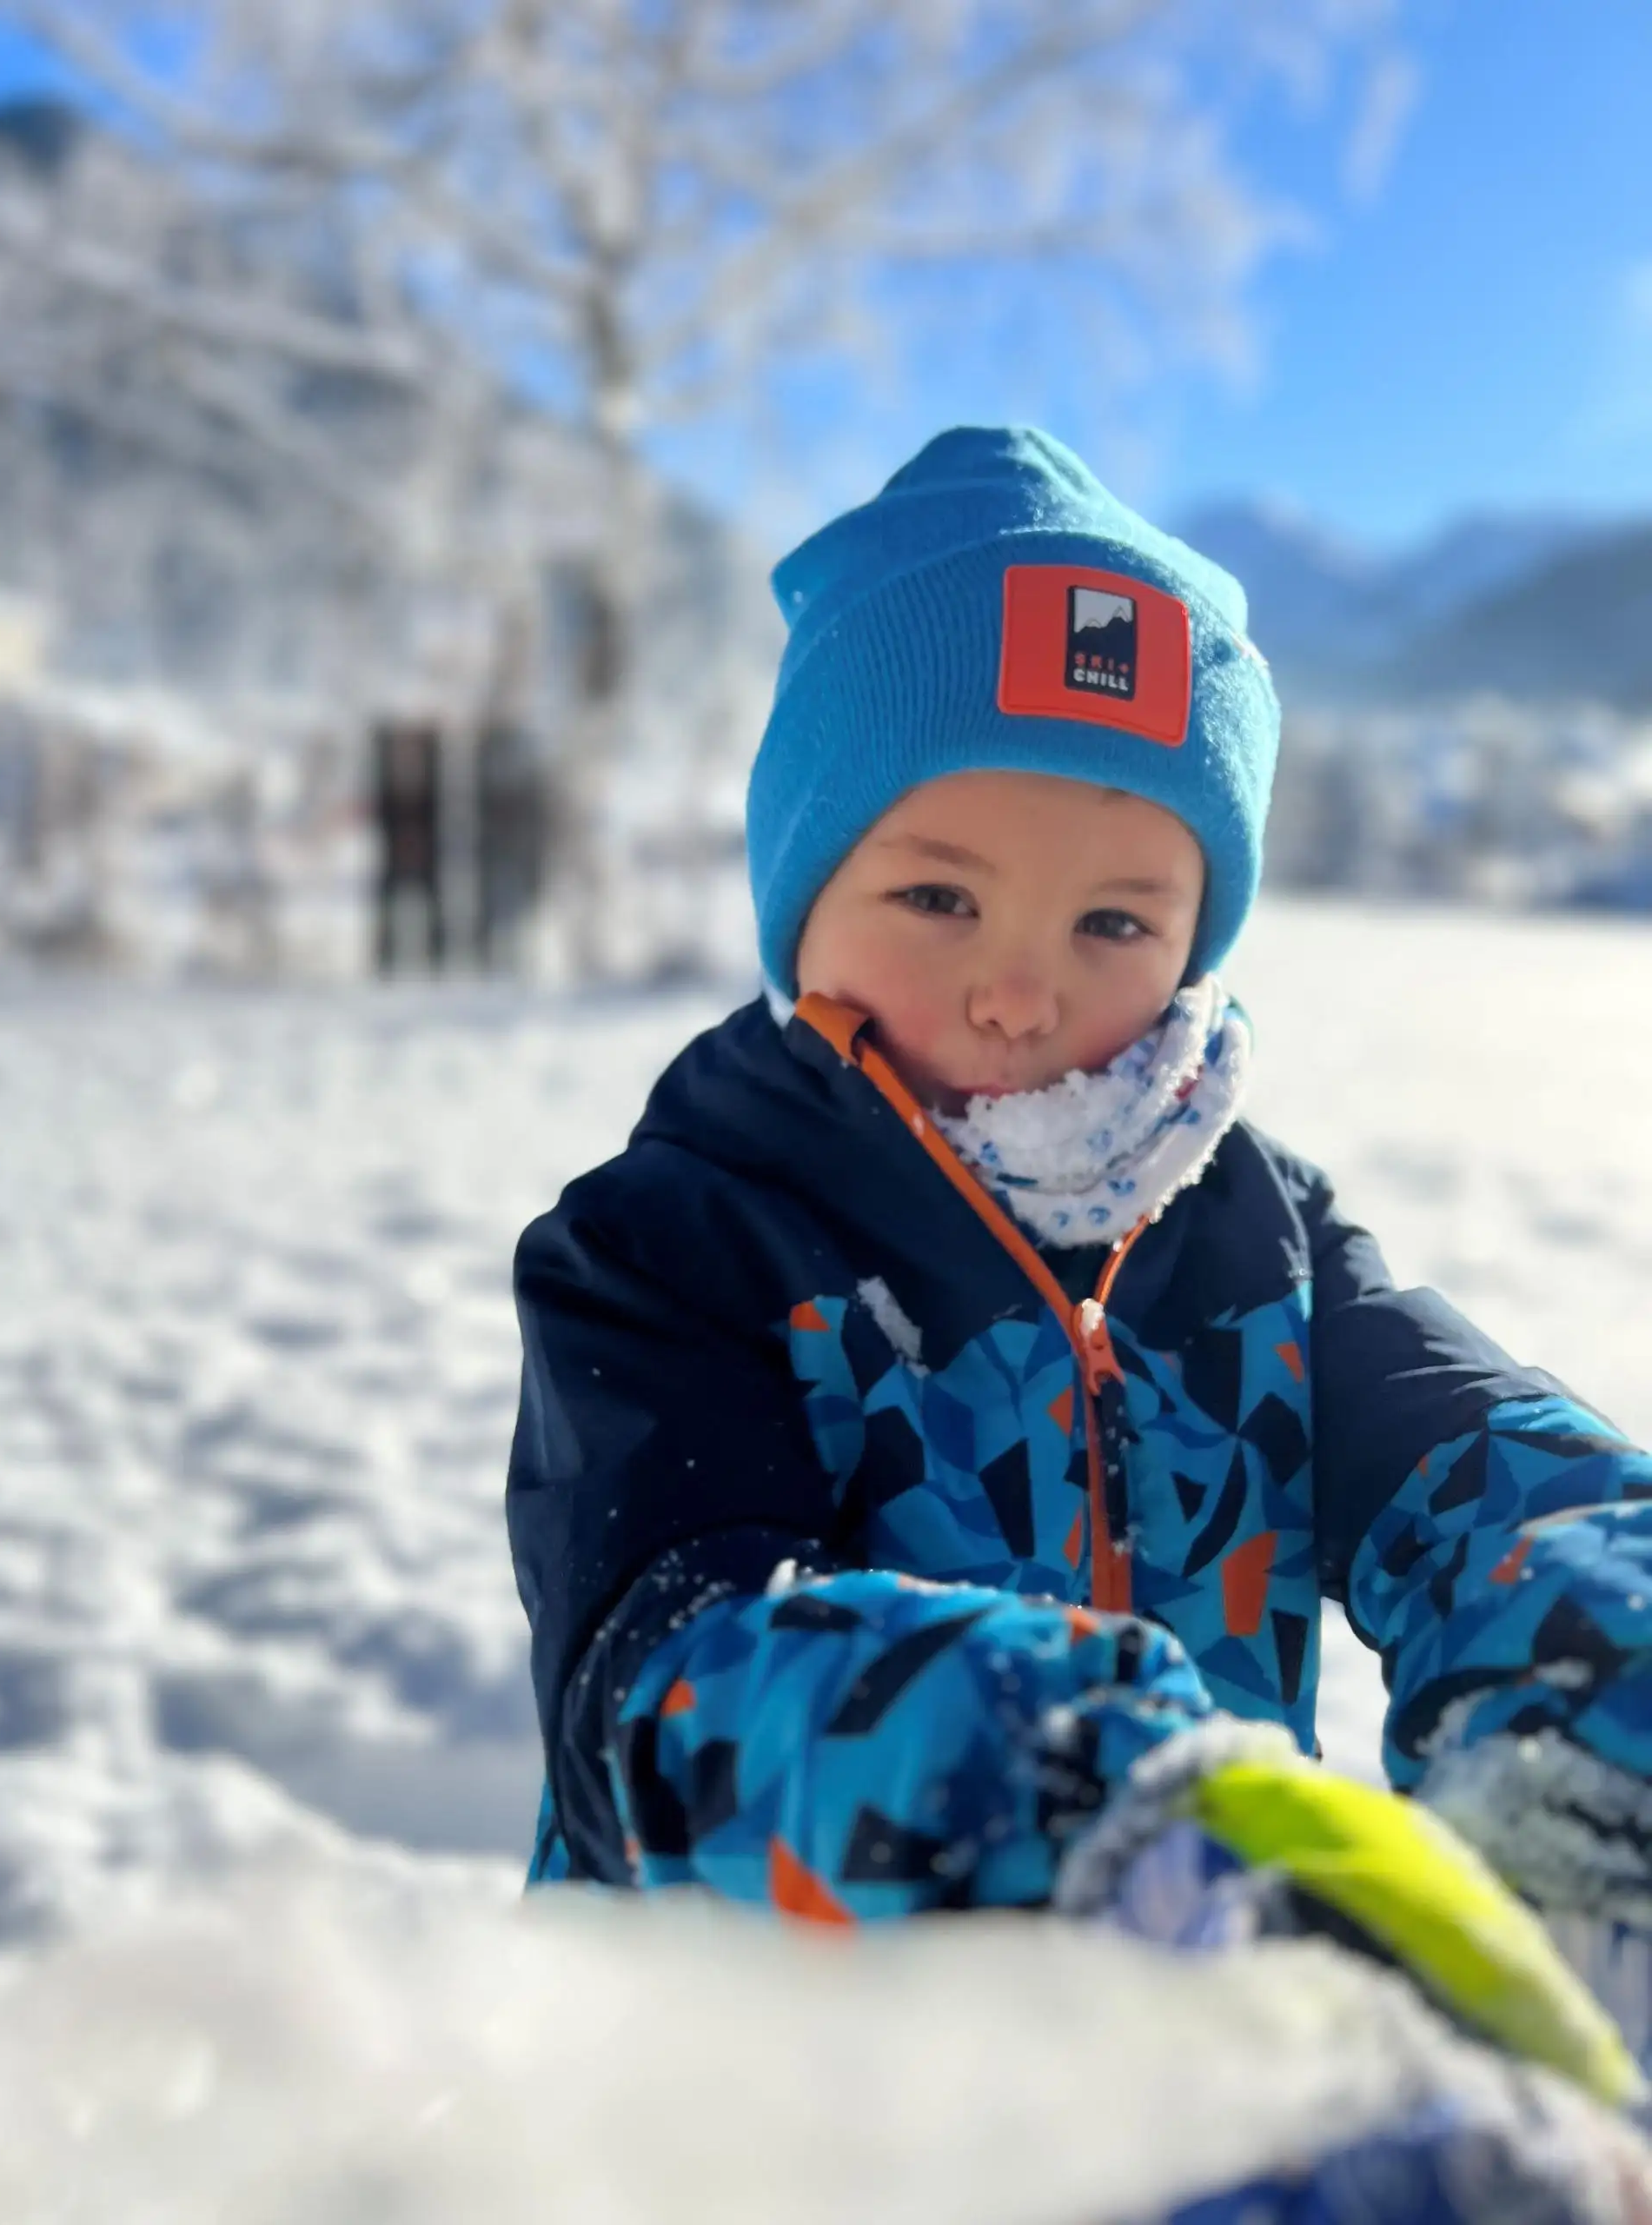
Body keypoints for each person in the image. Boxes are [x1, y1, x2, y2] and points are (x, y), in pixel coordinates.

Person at [504, 429, 1652, 2062]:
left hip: (1161, 2084)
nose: (1019, 992)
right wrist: (1071, 1791)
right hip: (727, 2107)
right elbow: (662, 1678)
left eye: (1112, 923)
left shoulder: (1262, 1241)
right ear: (805, 887)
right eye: (939, 899)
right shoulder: (673, 1247)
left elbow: (1490, 1474)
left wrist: (1615, 1691)